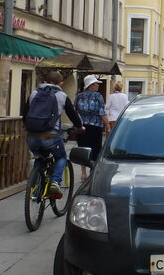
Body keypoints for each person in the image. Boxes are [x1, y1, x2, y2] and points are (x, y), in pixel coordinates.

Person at [22, 70, 82, 199]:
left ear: (45, 81)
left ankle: (36, 190)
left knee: (40, 158)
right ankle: (55, 182)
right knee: (61, 157)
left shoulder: (34, 94)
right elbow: (72, 114)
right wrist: (79, 127)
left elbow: (25, 114)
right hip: (49, 136)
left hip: (32, 136)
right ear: (61, 83)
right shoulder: (62, 96)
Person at [74, 75, 109, 176]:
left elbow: (75, 111)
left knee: (83, 149)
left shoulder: (79, 96)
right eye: (96, 83)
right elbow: (102, 112)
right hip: (95, 126)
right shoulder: (98, 96)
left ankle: (83, 173)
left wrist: (76, 125)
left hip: (81, 127)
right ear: (91, 85)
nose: (98, 85)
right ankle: (93, 171)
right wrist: (108, 125)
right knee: (95, 149)